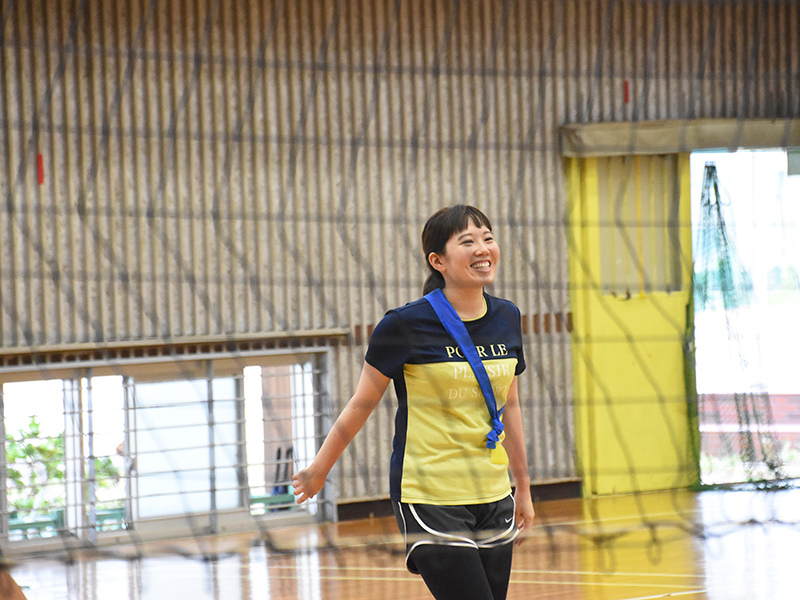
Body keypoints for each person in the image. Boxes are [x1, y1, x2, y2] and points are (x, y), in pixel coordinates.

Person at [293, 205, 535, 600]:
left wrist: (522, 487)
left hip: (493, 494)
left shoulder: (508, 317)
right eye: (467, 241)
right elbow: (361, 403)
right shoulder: (404, 324)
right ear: (437, 261)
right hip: (430, 495)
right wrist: (320, 469)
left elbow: (510, 407)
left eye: (488, 238)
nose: (482, 248)